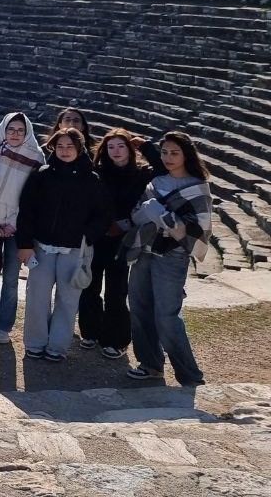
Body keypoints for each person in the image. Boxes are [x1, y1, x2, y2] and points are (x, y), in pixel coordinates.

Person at [122, 131, 212, 387]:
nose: (168, 158)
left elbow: (199, 229)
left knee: (167, 316)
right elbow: (137, 214)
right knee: (139, 308)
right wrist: (148, 213)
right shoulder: (156, 182)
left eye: (174, 153)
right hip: (145, 250)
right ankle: (150, 364)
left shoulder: (198, 188)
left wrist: (162, 216)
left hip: (173, 255)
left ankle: (190, 376)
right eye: (164, 153)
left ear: (186, 155)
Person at [16, 128, 112, 361]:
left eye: (70, 146)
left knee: (68, 300)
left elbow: (103, 215)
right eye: (60, 146)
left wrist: (87, 236)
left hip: (75, 249)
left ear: (79, 148)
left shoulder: (92, 179)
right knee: (37, 296)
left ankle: (57, 346)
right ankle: (35, 342)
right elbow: (26, 210)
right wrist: (24, 244)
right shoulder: (41, 175)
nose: (65, 150)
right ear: (53, 148)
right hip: (42, 247)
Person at [79, 128, 154, 359]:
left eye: (121, 146)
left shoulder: (142, 174)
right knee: (89, 285)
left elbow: (163, 168)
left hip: (125, 238)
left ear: (130, 149)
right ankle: (90, 331)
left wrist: (146, 146)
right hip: (97, 235)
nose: (116, 151)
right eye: (111, 147)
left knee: (116, 289)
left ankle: (116, 340)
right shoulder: (97, 172)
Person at [0, 112, 44, 343]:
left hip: (18, 227)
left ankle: (4, 326)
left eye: (20, 130)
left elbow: (31, 199)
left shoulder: (37, 160)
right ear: (3, 130)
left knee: (12, 278)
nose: (15, 134)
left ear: (27, 133)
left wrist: (12, 224)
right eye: (11, 129)